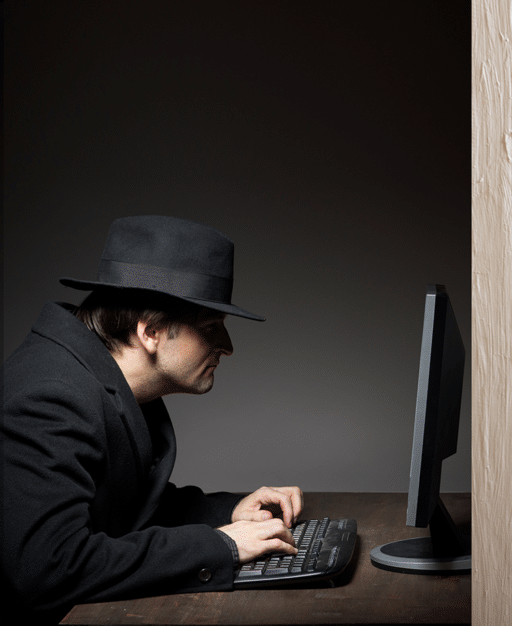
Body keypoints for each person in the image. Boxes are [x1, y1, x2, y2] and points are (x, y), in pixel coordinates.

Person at [2, 216, 303, 622]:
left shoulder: (94, 374)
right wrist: (223, 547)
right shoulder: (51, 396)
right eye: (212, 326)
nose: (227, 347)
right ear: (150, 331)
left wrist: (227, 513)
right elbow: (51, 569)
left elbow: (115, 509)